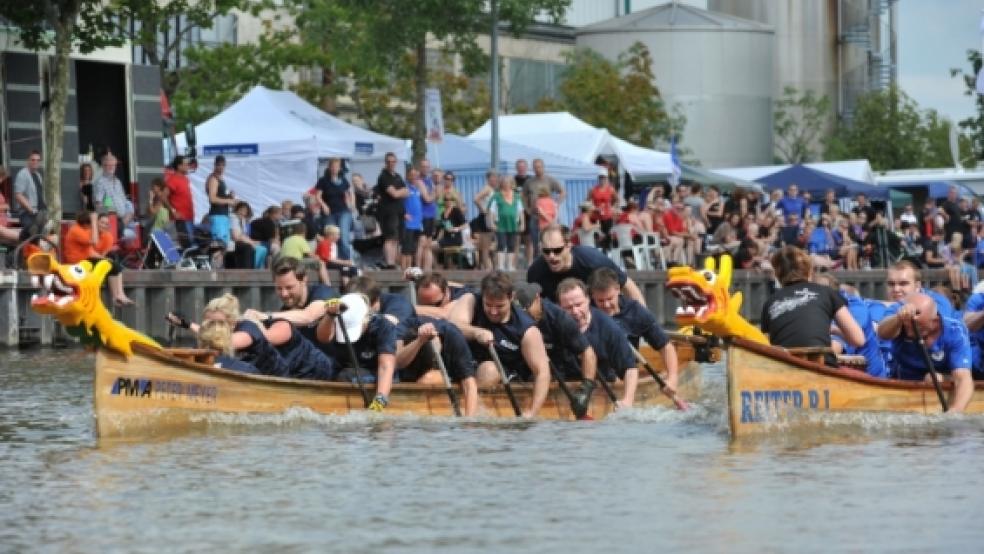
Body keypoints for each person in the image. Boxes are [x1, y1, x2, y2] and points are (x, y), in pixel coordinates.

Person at [449, 271, 551, 417]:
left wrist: (532, 412)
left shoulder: (527, 329)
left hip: (500, 373)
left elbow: (542, 372)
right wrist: (476, 332)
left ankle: (473, 410)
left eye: (499, 306)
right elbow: (453, 325)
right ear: (483, 296)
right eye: (488, 305)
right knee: (431, 378)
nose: (493, 311)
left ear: (511, 298)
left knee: (489, 370)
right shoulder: (470, 300)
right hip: (462, 365)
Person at [179, 294, 335, 380]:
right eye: (208, 322)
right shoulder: (217, 334)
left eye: (217, 323)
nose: (211, 327)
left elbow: (220, 342)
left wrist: (190, 326)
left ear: (232, 322)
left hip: (282, 381)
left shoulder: (247, 330)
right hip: (260, 377)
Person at [760, 246, 864, 365]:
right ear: (809, 272)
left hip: (785, 366)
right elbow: (858, 339)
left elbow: (766, 346)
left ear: (778, 276)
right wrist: (834, 330)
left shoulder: (769, 303)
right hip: (822, 365)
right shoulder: (827, 292)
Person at [877, 293, 974, 412]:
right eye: (908, 326)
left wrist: (955, 411)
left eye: (918, 327)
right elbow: (882, 333)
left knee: (934, 378)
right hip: (902, 381)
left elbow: (963, 378)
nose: (910, 331)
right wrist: (898, 319)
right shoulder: (901, 323)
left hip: (939, 380)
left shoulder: (954, 330)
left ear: (935, 321)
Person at [587, 267, 679, 393]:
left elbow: (666, 346)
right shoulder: (585, 312)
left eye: (610, 299)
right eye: (600, 301)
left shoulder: (635, 311)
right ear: (592, 296)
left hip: (626, 375)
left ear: (618, 289)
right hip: (595, 375)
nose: (606, 305)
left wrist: (672, 378)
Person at [514, 282, 598, 414]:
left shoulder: (560, 318)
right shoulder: (515, 317)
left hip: (560, 370)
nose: (524, 316)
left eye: (527, 309)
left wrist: (586, 389)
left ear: (537, 299)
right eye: (521, 311)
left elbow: (587, 352)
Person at [556, 278, 639, 409]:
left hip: (601, 385)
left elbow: (630, 368)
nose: (575, 312)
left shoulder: (608, 327)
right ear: (559, 307)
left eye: (578, 305)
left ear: (588, 300)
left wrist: (627, 400)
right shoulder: (553, 324)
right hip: (563, 385)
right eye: (568, 308)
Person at [528, 223, 646, 306]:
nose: (551, 256)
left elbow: (627, 284)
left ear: (569, 245)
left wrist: (645, 321)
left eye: (557, 250)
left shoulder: (592, 261)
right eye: (546, 251)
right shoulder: (536, 272)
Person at [316, 293, 398, 411]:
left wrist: (381, 398)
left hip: (374, 374)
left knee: (347, 376)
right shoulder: (337, 318)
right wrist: (329, 315)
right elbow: (322, 338)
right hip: (345, 371)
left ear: (366, 318)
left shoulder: (383, 327)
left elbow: (386, 366)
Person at [395, 315, 480, 416]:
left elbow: (469, 384)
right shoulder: (401, 329)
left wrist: (469, 422)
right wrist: (420, 341)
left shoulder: (453, 336)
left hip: (445, 373)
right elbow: (397, 362)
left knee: (429, 379)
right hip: (405, 368)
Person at [243, 257, 337, 343]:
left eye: (289, 287)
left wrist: (265, 316)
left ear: (304, 280)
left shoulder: (323, 292)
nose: (284, 294)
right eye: (279, 288)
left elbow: (309, 316)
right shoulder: (284, 312)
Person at [813, 273, 887, 378]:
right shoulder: (837, 300)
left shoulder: (852, 309)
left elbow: (834, 349)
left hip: (871, 381)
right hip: (844, 376)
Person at [62, 211, 134, 306]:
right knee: (112, 265)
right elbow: (94, 243)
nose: (103, 226)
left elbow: (91, 252)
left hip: (87, 260)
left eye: (106, 224)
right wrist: (94, 220)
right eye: (100, 223)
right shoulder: (77, 230)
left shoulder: (107, 237)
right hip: (78, 263)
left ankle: (118, 295)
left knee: (112, 265)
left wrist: (104, 259)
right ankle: (118, 296)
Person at [312, 158, 354, 262]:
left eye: (337, 166)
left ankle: (346, 260)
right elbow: (318, 196)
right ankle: (331, 258)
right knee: (331, 235)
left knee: (343, 235)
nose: (335, 168)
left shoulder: (343, 180)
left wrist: (351, 204)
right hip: (329, 212)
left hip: (343, 210)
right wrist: (324, 205)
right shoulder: (323, 180)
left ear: (340, 168)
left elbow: (349, 192)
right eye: (333, 166)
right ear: (329, 167)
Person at [522, 158, 565, 258]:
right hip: (534, 216)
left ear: (543, 167)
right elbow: (523, 195)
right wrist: (527, 209)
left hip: (547, 217)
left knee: (548, 240)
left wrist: (556, 204)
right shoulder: (529, 182)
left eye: (539, 167)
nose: (537, 169)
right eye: (535, 167)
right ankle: (537, 261)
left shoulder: (550, 180)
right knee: (535, 241)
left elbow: (562, 192)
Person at [375, 152, 408, 269]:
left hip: (399, 211)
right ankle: (389, 263)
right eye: (388, 162)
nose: (391, 164)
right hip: (388, 211)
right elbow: (393, 193)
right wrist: (400, 192)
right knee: (390, 238)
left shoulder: (398, 176)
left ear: (396, 162)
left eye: (393, 161)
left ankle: (393, 262)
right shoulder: (383, 176)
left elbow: (406, 192)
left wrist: (400, 192)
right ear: (385, 162)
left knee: (396, 239)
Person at [490, 175, 524, 271]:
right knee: (501, 244)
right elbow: (492, 210)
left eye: (508, 182)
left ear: (511, 184)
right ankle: (500, 266)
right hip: (501, 224)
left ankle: (510, 265)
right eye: (504, 182)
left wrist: (522, 223)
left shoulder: (517, 196)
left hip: (513, 224)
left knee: (511, 245)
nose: (506, 184)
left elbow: (520, 210)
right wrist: (492, 222)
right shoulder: (496, 196)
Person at [13, 149, 46, 240]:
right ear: (28, 161)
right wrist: (31, 210)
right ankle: (21, 250)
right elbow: (18, 195)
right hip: (27, 213)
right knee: (31, 233)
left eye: (38, 160)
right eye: (33, 160)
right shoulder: (22, 174)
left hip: (39, 212)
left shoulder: (38, 175)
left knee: (38, 237)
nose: (35, 162)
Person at [164, 155, 194, 248]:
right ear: (179, 166)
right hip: (180, 221)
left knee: (189, 245)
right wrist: (173, 211)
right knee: (186, 246)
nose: (188, 166)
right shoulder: (173, 180)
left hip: (188, 218)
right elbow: (163, 196)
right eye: (186, 165)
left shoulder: (185, 179)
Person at [229, 201, 266, 269]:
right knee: (257, 248)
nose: (243, 212)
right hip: (234, 242)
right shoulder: (233, 218)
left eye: (245, 211)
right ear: (237, 210)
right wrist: (251, 242)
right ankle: (253, 269)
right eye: (241, 210)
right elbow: (236, 236)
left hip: (242, 241)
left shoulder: (243, 220)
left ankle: (258, 269)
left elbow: (244, 235)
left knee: (263, 248)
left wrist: (253, 241)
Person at [402, 168, 425, 270]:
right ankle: (404, 270)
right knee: (406, 250)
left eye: (416, 175)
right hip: (408, 224)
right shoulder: (405, 188)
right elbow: (398, 203)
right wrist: (403, 214)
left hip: (417, 224)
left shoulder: (417, 190)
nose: (414, 177)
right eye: (412, 175)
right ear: (408, 176)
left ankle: (410, 271)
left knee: (412, 250)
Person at [416, 159, 437, 271]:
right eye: (423, 166)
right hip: (423, 216)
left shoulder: (429, 181)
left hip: (431, 215)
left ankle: (427, 269)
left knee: (428, 243)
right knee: (422, 242)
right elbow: (427, 198)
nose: (425, 169)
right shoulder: (419, 181)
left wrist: (435, 193)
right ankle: (418, 267)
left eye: (427, 167)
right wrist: (435, 193)